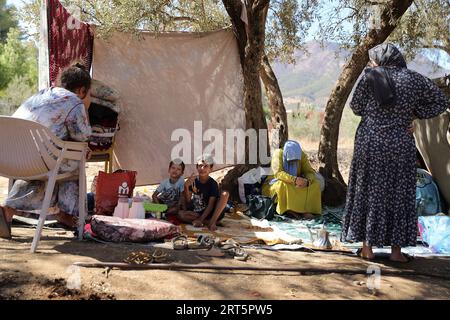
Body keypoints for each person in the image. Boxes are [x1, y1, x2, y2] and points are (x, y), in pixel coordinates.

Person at [341, 43, 449, 262]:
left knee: (369, 192)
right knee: (399, 194)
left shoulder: (371, 76)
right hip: (400, 144)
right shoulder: (414, 79)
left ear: (381, 60)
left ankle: (367, 250)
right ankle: (397, 253)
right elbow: (440, 101)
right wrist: (413, 114)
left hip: (370, 143)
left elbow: (356, 107)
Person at [0, 62, 92, 238]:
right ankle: (69, 215)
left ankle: (8, 210)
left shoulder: (40, 95)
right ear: (81, 90)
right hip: (38, 161)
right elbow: (83, 136)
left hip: (10, 158)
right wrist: (85, 108)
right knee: (77, 157)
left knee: (56, 159)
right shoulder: (74, 101)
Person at [262, 140, 322, 218]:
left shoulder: (301, 155)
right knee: (282, 185)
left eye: (295, 160)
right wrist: (294, 180)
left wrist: (307, 181)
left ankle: (307, 211)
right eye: (291, 159)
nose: (293, 161)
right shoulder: (278, 153)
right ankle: (289, 210)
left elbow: (309, 172)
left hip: (297, 182)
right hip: (275, 182)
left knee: (315, 185)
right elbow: (278, 173)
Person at [178, 155, 229, 231]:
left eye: (206, 166)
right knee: (180, 214)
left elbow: (210, 205)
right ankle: (207, 222)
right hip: (198, 212)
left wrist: (201, 219)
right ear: (197, 167)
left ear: (211, 169)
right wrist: (186, 186)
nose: (202, 168)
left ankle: (212, 221)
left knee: (225, 194)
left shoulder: (212, 184)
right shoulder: (193, 181)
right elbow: (188, 201)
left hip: (211, 213)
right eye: (200, 166)